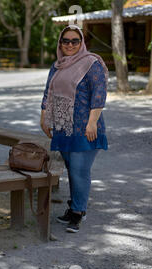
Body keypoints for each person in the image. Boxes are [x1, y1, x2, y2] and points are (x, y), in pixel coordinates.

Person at [40, 25, 109, 233]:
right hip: (64, 127)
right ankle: (74, 207)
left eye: (74, 41)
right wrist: (44, 118)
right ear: (60, 43)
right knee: (71, 170)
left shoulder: (91, 63)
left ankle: (79, 213)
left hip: (86, 127)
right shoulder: (57, 65)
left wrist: (92, 123)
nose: (69, 45)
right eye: (65, 41)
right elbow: (48, 92)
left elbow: (99, 93)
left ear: (82, 43)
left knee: (80, 170)